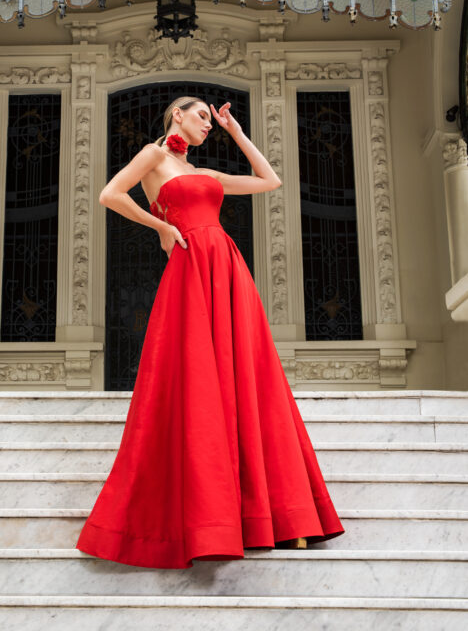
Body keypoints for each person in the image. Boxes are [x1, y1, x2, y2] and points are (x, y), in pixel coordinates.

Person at [75, 96, 345, 568]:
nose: (207, 125)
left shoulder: (206, 173)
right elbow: (110, 194)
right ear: (176, 115)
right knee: (196, 382)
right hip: (191, 265)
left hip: (226, 266)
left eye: (210, 120)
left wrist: (236, 132)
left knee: (246, 376)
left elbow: (270, 180)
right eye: (201, 116)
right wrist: (160, 225)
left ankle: (268, 516)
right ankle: (207, 520)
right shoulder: (154, 154)